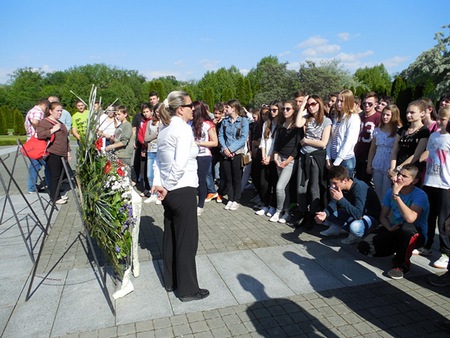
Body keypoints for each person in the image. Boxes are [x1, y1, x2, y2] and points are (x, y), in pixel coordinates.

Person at [152, 90, 209, 302]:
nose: (193, 108)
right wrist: (165, 185)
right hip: (181, 189)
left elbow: (157, 162)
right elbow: (180, 163)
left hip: (169, 191)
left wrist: (158, 184)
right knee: (186, 241)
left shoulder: (165, 130)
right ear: (180, 109)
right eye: (189, 105)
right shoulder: (182, 130)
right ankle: (187, 289)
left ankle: (171, 281)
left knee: (171, 238)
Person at [357, 164, 429, 280]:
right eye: (400, 174)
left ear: (414, 181)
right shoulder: (390, 191)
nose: (399, 178)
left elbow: (410, 218)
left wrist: (396, 196)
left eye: (405, 176)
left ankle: (401, 265)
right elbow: (383, 217)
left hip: (415, 233)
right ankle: (398, 248)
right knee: (364, 247)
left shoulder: (420, 195)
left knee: (407, 228)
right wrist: (389, 228)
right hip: (396, 228)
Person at [417, 105, 450, 268]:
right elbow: (428, 153)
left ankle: (445, 252)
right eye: (438, 118)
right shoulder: (434, 135)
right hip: (430, 181)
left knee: (443, 221)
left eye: (443, 119)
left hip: (445, 184)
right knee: (429, 216)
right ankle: (427, 245)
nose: (439, 122)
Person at [315, 165, 381, 244]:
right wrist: (325, 213)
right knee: (331, 215)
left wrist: (341, 199)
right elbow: (333, 203)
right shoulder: (340, 187)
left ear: (345, 180)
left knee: (355, 227)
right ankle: (338, 228)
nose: (333, 186)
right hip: (355, 213)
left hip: (369, 216)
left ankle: (356, 235)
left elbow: (358, 214)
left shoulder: (359, 188)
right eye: (332, 183)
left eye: (335, 183)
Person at [295, 95, 332, 228]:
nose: (311, 106)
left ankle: (312, 215)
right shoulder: (307, 118)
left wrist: (306, 141)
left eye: (314, 104)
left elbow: (323, 143)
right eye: (309, 104)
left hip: (317, 157)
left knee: (314, 189)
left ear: (320, 104)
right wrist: (303, 103)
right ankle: (303, 213)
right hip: (304, 156)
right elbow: (298, 123)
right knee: (301, 188)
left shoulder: (327, 121)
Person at [270, 100, 300, 224]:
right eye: (284, 109)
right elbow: (277, 143)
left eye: (288, 109)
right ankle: (286, 212)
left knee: (279, 187)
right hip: (279, 159)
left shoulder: (297, 127)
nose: (285, 111)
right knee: (284, 188)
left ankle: (278, 211)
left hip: (290, 161)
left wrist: (287, 161)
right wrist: (276, 156)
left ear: (294, 110)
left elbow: (297, 147)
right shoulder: (281, 125)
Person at [36, 102, 70, 205]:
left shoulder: (60, 123)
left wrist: (68, 151)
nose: (60, 113)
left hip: (62, 152)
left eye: (61, 111)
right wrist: (52, 130)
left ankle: (57, 193)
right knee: (54, 175)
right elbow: (40, 135)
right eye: (57, 111)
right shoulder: (45, 122)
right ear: (50, 111)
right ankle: (55, 197)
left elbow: (65, 138)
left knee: (60, 175)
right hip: (52, 152)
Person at [367, 104, 403, 200]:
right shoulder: (377, 130)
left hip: (389, 165)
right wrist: (369, 164)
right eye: (383, 114)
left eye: (388, 115)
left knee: (387, 193)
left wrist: (393, 169)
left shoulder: (398, 132)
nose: (385, 117)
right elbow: (372, 149)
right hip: (377, 164)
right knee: (378, 192)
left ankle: (386, 214)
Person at [218, 99, 249, 211]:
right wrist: (225, 149)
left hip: (237, 153)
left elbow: (243, 138)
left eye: (227, 108)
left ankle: (236, 199)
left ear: (234, 108)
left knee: (236, 177)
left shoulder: (243, 121)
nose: (225, 110)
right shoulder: (225, 121)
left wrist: (231, 149)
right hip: (225, 152)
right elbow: (221, 136)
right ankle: (230, 198)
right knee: (228, 178)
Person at [388, 100, 430, 182]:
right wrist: (393, 169)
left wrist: (399, 169)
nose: (408, 115)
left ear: (422, 113)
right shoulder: (403, 129)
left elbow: (417, 155)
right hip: (397, 167)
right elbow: (394, 151)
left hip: (411, 170)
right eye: (407, 112)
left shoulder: (424, 131)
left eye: (412, 112)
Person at [191, 101, 218, 216]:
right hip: (192, 155)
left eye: (193, 110)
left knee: (201, 180)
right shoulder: (190, 123)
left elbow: (215, 142)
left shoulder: (208, 124)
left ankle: (200, 205)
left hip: (204, 155)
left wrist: (200, 143)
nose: (191, 112)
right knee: (192, 180)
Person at [255, 100, 281, 217]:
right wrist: (264, 156)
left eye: (274, 110)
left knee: (275, 183)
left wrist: (270, 158)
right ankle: (264, 205)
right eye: (270, 110)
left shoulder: (281, 125)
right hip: (265, 157)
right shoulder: (267, 124)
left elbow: (278, 145)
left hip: (275, 158)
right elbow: (263, 142)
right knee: (263, 183)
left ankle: (273, 206)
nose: (272, 112)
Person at [326, 89, 360, 177]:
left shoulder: (353, 118)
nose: (338, 103)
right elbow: (331, 138)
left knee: (343, 189)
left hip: (345, 160)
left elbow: (349, 141)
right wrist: (328, 157)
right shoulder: (336, 116)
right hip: (333, 158)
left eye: (342, 101)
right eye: (338, 100)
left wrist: (337, 162)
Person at [354, 92, 381, 185]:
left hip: (370, 155)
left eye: (370, 104)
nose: (367, 105)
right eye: (364, 103)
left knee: (364, 183)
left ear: (376, 104)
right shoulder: (359, 116)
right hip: (358, 153)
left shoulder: (379, 117)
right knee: (356, 181)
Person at [25, 98, 50, 194]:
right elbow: (35, 122)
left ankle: (31, 187)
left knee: (34, 165)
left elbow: (25, 125)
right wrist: (41, 130)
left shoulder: (30, 111)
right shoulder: (38, 112)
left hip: (31, 141)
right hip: (38, 143)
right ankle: (51, 186)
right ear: (44, 105)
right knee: (48, 164)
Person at [144, 103, 164, 204]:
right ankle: (153, 194)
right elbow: (146, 138)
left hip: (160, 151)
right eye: (156, 111)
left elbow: (162, 137)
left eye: (160, 111)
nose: (158, 113)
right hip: (151, 150)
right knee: (149, 174)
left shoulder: (165, 122)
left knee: (159, 174)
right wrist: (155, 134)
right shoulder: (150, 123)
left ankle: (160, 194)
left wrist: (157, 135)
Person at [205, 103, 225, 203]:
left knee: (221, 172)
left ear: (222, 113)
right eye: (215, 113)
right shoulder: (212, 123)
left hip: (221, 150)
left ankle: (221, 192)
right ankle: (212, 190)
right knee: (208, 170)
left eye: (219, 113)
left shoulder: (224, 123)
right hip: (213, 150)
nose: (217, 115)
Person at [136, 103, 153, 196]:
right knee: (144, 169)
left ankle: (152, 189)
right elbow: (140, 135)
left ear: (151, 111)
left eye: (147, 111)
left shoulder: (154, 121)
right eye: (144, 112)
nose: (146, 114)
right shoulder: (143, 122)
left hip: (152, 148)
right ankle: (146, 188)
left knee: (152, 169)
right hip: (144, 147)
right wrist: (143, 143)